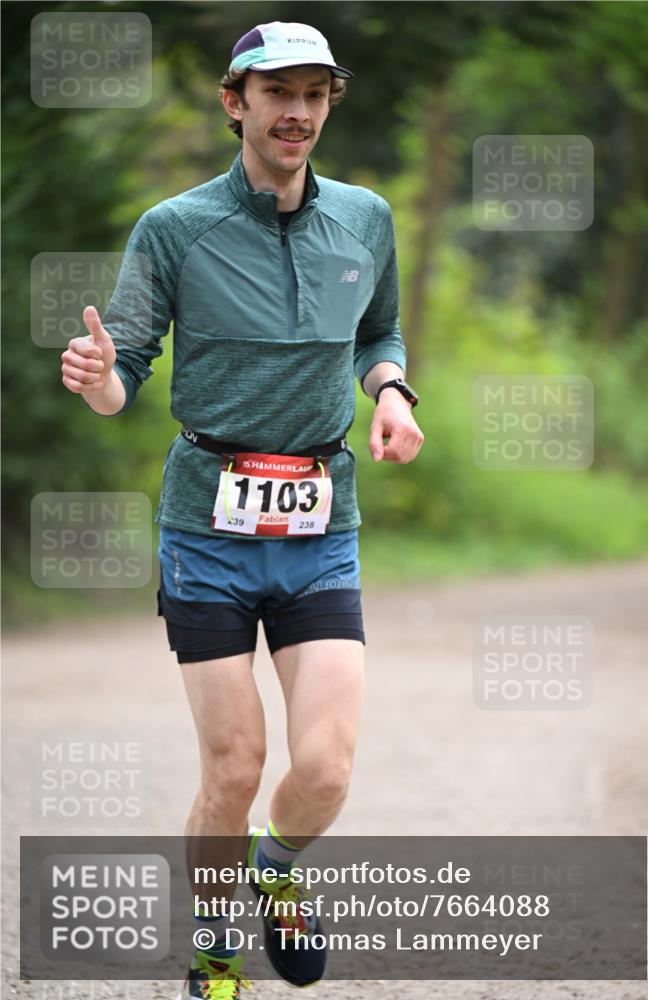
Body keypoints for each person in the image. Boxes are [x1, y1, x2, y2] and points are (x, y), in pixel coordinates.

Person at [61, 20, 424, 999]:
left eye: (313, 94)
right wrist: (97, 379)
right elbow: (123, 371)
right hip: (207, 532)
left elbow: (379, 327)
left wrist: (390, 392)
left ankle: (274, 866)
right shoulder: (174, 229)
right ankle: (216, 945)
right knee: (233, 764)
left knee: (327, 768)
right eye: (276, 93)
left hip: (320, 525)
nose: (296, 112)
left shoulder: (366, 217)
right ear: (236, 103)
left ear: (328, 105)